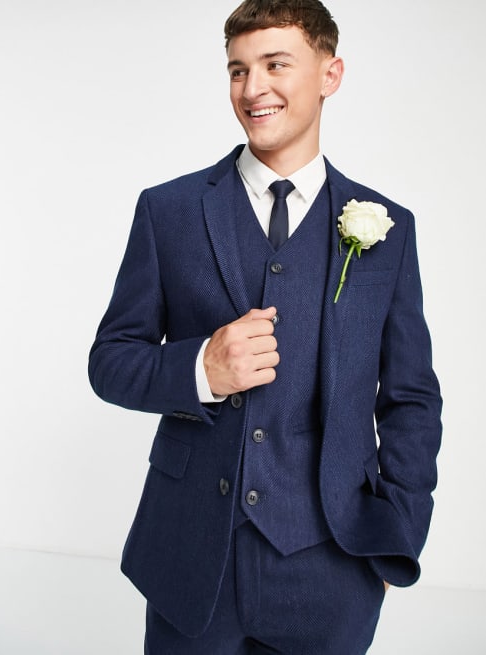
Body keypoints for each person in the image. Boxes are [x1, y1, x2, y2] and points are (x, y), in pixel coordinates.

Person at [88, 1, 442, 653]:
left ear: (330, 74)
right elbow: (110, 360)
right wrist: (200, 368)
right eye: (237, 70)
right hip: (191, 559)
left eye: (275, 64)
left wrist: (397, 531)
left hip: (334, 565)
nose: (252, 89)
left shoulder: (388, 228)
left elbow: (411, 398)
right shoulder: (168, 210)